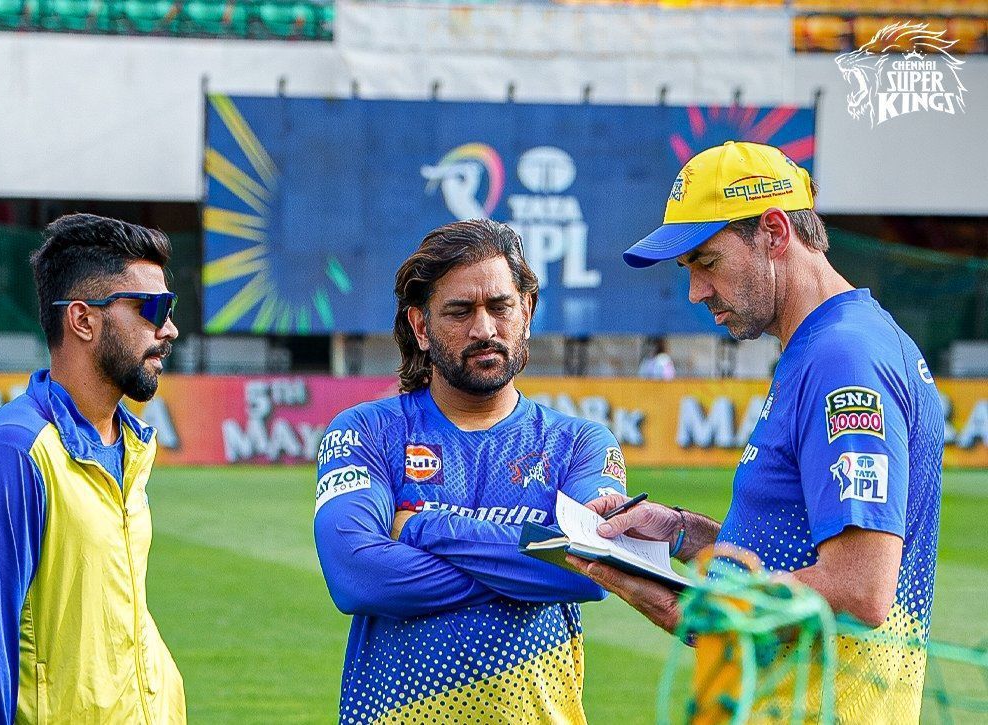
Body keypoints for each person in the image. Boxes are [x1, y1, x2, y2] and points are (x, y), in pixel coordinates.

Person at [573, 141, 943, 721]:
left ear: (773, 231)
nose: (695, 291)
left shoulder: (843, 358)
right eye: (687, 268)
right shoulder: (832, 344)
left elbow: (860, 589)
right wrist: (679, 532)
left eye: (707, 261)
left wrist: (694, 607)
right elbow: (795, 548)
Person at [314, 219, 628, 723]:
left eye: (500, 307)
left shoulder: (581, 445)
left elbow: (592, 569)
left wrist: (419, 527)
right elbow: (358, 576)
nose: (484, 329)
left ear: (525, 312)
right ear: (420, 327)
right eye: (460, 311)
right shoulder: (366, 432)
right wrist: (530, 562)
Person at [0, 214, 187, 723]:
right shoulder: (12, 455)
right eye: (152, 308)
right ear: (82, 320)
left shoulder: (130, 442)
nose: (170, 328)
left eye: (171, 306)